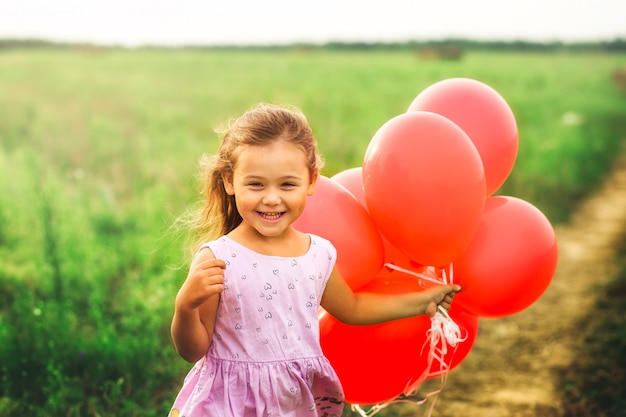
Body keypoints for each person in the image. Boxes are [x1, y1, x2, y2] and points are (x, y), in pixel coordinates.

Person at [169, 103, 461, 417]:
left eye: (287, 184)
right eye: (255, 184)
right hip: (233, 402)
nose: (271, 198)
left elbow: (352, 308)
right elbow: (193, 350)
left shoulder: (318, 253)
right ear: (229, 181)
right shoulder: (221, 258)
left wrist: (420, 303)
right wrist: (185, 306)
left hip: (295, 400)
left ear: (311, 181)